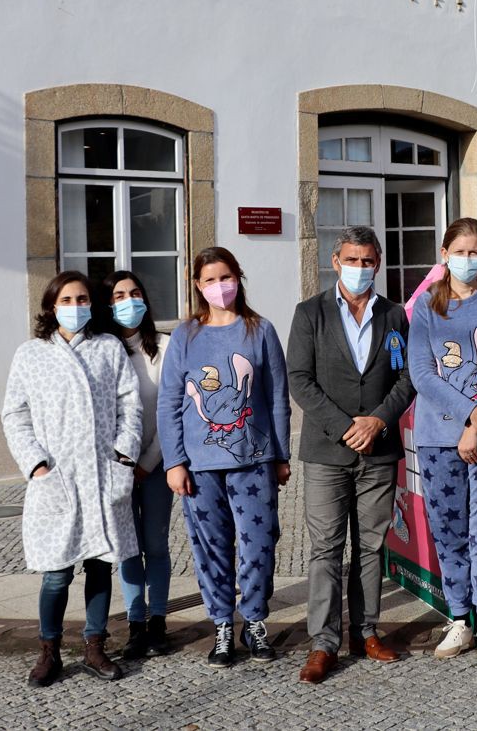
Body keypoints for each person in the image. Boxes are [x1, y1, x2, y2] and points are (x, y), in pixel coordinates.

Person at [287, 227, 415, 684]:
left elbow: (407, 378)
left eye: (368, 261)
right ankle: (323, 643)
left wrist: (377, 420)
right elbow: (299, 379)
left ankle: (366, 632)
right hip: (326, 451)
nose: (360, 269)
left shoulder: (395, 315)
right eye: (351, 260)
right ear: (335, 261)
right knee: (325, 548)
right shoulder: (310, 314)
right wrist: (345, 426)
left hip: (378, 450)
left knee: (370, 546)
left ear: (377, 263)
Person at [2, 271, 141, 686]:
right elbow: (14, 413)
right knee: (57, 571)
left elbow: (129, 404)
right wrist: (36, 464)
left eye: (83, 299)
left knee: (100, 564)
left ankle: (95, 645)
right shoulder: (31, 354)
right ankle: (48, 650)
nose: (76, 307)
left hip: (101, 473)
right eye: (67, 300)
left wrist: (123, 452)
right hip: (57, 478)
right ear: (51, 306)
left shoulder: (108, 348)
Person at [158, 247, 292, 667]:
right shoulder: (185, 335)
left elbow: (276, 396)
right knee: (210, 547)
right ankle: (221, 624)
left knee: (258, 545)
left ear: (239, 278)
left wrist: (281, 454)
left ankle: (254, 621)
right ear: (198, 286)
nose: (221, 286)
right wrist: (174, 461)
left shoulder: (260, 329)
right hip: (200, 466)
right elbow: (170, 403)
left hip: (254, 460)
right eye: (211, 279)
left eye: (227, 277)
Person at [407, 218, 477, 664]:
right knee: (450, 528)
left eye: (476, 252)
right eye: (460, 251)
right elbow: (422, 372)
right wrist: (463, 419)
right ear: (444, 253)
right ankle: (459, 619)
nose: (467, 259)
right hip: (438, 437)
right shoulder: (425, 308)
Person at [98, 271, 174, 660]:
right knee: (128, 548)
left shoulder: (164, 346)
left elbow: (171, 410)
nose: (129, 300)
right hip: (117, 468)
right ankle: (135, 623)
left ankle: (158, 619)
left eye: (136, 293)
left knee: (156, 545)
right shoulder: (102, 350)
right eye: (120, 295)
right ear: (109, 304)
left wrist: (147, 461)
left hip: (158, 463)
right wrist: (124, 462)